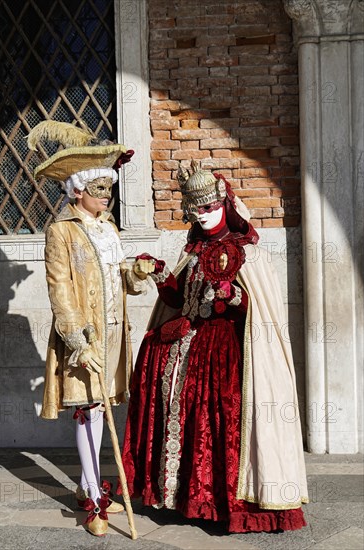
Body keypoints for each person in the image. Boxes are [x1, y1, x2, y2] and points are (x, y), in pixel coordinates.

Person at [122, 162, 309, 533]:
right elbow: (177, 300)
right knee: (181, 412)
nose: (203, 216)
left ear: (224, 203)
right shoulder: (193, 252)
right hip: (189, 346)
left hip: (225, 353)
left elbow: (255, 310)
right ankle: (182, 497)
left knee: (217, 420)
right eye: (196, 210)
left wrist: (232, 294)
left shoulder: (248, 254)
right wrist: (160, 273)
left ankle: (223, 503)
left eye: (209, 208)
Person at [29, 121, 146, 536]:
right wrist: (77, 341)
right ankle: (96, 497)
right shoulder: (60, 232)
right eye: (99, 189)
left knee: (104, 407)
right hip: (84, 338)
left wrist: (137, 273)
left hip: (114, 333)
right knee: (88, 409)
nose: (106, 195)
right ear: (78, 190)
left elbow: (120, 279)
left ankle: (84, 483)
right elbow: (59, 289)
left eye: (108, 189)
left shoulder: (109, 229)